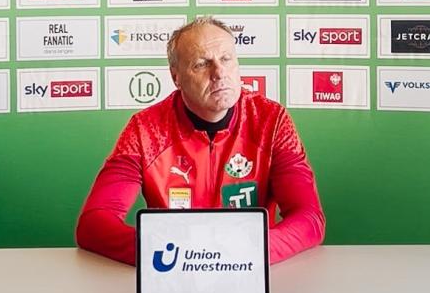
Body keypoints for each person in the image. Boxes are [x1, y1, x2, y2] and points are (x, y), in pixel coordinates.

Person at [76, 16, 326, 264]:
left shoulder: (271, 121)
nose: (219, 73)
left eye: (226, 59)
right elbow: (94, 224)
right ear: (176, 77)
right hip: (172, 274)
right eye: (201, 64)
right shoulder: (145, 130)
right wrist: (171, 256)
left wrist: (249, 253)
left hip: (251, 271)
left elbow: (309, 219)